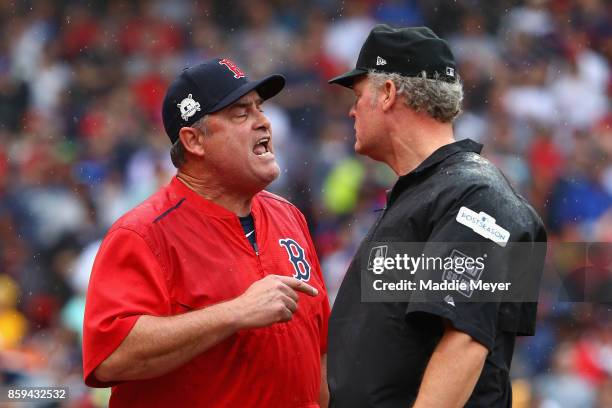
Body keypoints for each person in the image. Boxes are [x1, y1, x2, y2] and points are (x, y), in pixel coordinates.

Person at [82, 57, 330, 407]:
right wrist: (233, 313)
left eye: (260, 108)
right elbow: (110, 356)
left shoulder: (289, 216)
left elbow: (318, 353)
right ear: (194, 140)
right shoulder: (143, 233)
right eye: (241, 113)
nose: (264, 122)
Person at [326, 25, 547, 407]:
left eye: (359, 95)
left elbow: (465, 339)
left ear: (389, 94)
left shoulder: (476, 196)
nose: (351, 109)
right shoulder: (427, 192)